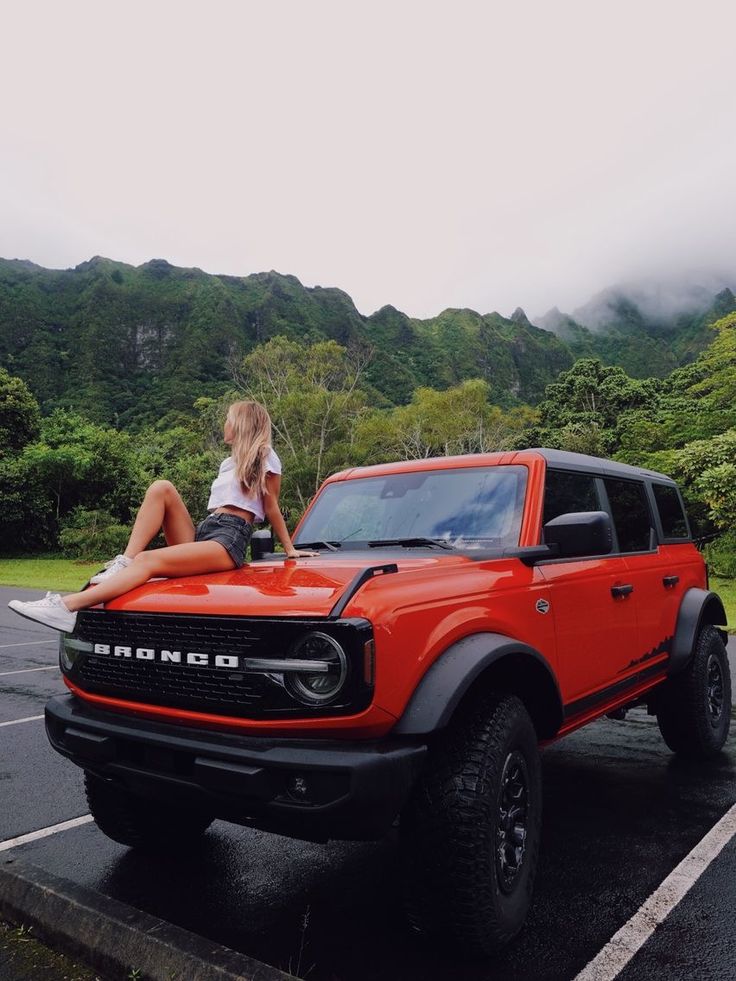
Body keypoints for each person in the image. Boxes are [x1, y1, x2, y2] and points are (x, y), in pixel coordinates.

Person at [8, 400, 318, 633]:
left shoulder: (265, 455)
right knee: (161, 488)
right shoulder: (227, 464)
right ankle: (123, 562)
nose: (223, 425)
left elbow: (272, 505)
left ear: (240, 425)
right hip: (208, 530)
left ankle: (68, 606)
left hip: (230, 538)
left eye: (227, 420)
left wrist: (289, 548)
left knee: (149, 560)